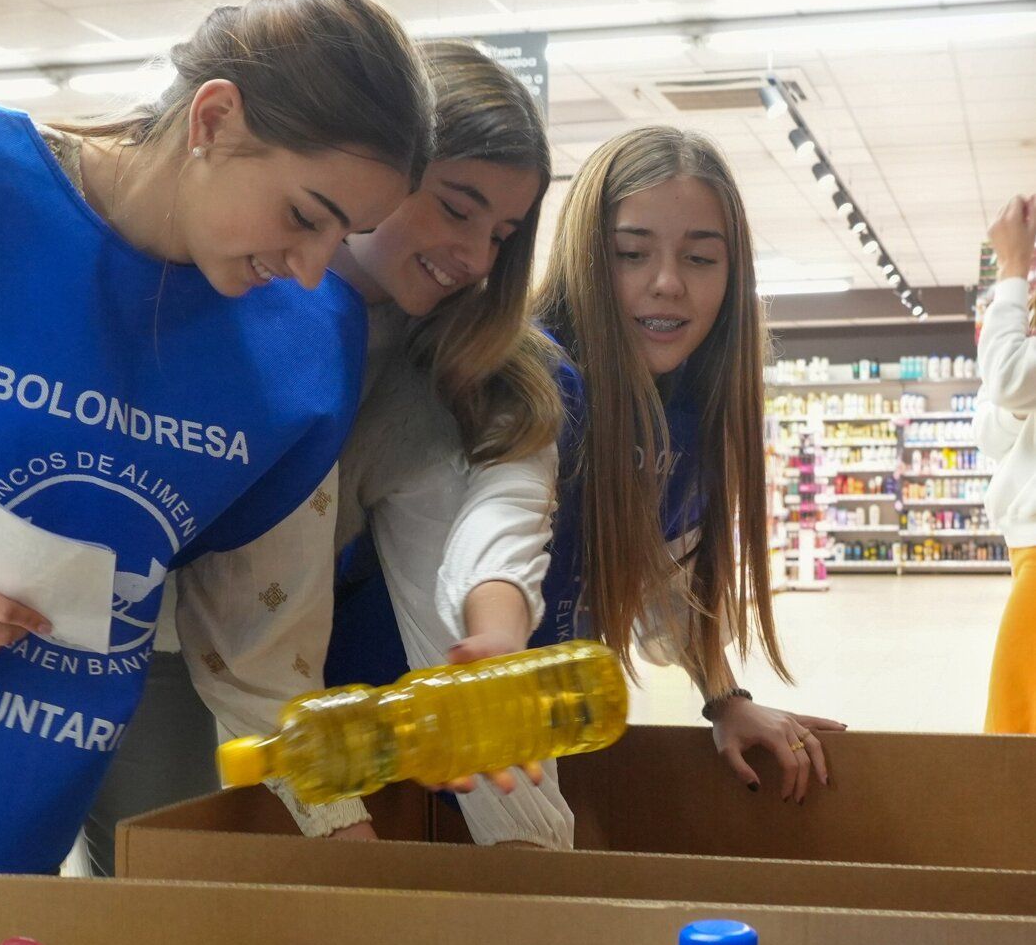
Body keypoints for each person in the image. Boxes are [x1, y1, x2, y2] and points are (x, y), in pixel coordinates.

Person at [0, 0, 433, 876]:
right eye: (303, 215)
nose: (313, 267)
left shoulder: (294, 355)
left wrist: (346, 835)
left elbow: (262, 647)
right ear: (214, 118)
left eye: (346, 236)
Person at [272, 123, 847, 848]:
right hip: (387, 734)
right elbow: (492, 537)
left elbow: (667, 577)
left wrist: (725, 697)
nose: (667, 282)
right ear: (585, 257)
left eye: (701, 258)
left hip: (510, 734)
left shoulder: (692, 414)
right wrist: (499, 652)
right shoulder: (530, 378)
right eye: (631, 254)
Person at [176, 39, 568, 845]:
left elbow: (483, 527)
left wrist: (496, 640)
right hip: (151, 641)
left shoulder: (452, 363)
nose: (474, 257)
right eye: (456, 208)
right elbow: (253, 621)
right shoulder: (249, 303)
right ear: (384, 170)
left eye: (501, 234)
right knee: (152, 854)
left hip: (283, 667)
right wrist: (333, 821)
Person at [973, 192, 1036, 732]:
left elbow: (1008, 379)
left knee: (1013, 738)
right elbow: (992, 433)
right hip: (1026, 551)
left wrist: (1012, 268)